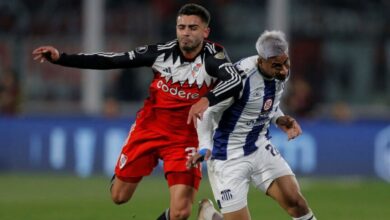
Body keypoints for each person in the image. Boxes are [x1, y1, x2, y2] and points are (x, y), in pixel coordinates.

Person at [32, 3, 242, 220]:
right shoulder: (160, 53)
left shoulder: (213, 57)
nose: (186, 33)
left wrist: (207, 100)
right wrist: (61, 58)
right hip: (148, 130)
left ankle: (204, 214)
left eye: (193, 28)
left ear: (205, 32)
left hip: (185, 139)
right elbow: (112, 60)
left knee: (181, 212)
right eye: (181, 27)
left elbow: (235, 81)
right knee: (119, 197)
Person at [187, 30, 317, 220]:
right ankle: (210, 216)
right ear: (260, 61)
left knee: (296, 202)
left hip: (260, 145)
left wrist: (278, 118)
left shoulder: (280, 72)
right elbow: (207, 112)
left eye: (286, 63)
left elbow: (265, 101)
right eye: (276, 66)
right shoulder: (237, 80)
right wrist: (205, 145)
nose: (283, 70)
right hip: (229, 155)